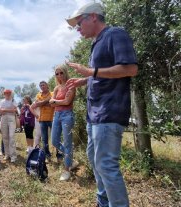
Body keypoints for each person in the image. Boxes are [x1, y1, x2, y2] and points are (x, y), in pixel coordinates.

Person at [66, 2, 138, 206]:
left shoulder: (115, 34)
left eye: (79, 24)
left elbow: (130, 69)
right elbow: (105, 75)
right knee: (96, 160)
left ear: (93, 17)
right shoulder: (97, 43)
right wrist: (85, 80)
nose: (77, 29)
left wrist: (91, 72)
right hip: (94, 115)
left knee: (106, 164)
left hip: (109, 112)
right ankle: (103, 201)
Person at [49, 65, 78, 181]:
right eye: (57, 73)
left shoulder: (71, 85)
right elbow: (51, 104)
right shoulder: (56, 88)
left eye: (61, 73)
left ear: (65, 73)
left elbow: (67, 101)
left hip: (67, 115)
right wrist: (56, 102)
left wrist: (55, 101)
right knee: (55, 141)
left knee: (67, 142)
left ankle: (67, 170)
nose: (59, 75)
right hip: (57, 115)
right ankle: (70, 159)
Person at [32, 81, 57, 160]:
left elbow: (53, 104)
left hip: (52, 118)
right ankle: (47, 155)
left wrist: (42, 103)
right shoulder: (38, 95)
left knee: (55, 137)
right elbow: (37, 104)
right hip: (42, 119)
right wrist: (47, 101)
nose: (42, 86)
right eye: (41, 85)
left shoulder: (53, 94)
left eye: (43, 85)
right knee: (44, 139)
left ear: (47, 86)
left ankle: (58, 155)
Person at [0, 89, 18, 163]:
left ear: (11, 93)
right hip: (3, 119)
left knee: (11, 136)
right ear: (4, 94)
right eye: (6, 93)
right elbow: (0, 111)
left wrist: (5, 110)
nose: (7, 94)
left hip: (11, 119)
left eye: (9, 93)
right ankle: (7, 154)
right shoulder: (1, 101)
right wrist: (9, 109)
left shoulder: (13, 101)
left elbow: (14, 110)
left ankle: (13, 156)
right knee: (5, 137)